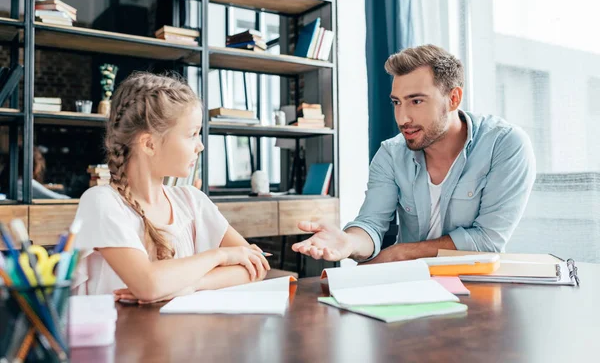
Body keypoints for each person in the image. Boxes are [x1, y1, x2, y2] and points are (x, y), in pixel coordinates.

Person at [292, 45, 536, 264]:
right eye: (397, 102)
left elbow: (487, 241)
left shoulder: (505, 145)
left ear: (453, 98)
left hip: (478, 286)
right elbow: (371, 224)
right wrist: (349, 242)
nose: (402, 118)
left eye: (416, 101)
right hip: (412, 286)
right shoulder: (391, 153)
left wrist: (400, 253)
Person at [72, 72, 270, 302]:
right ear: (149, 144)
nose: (201, 146)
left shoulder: (192, 200)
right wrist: (221, 255)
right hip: (118, 337)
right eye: (192, 134)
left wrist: (193, 285)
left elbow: (256, 266)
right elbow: (149, 284)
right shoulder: (101, 202)